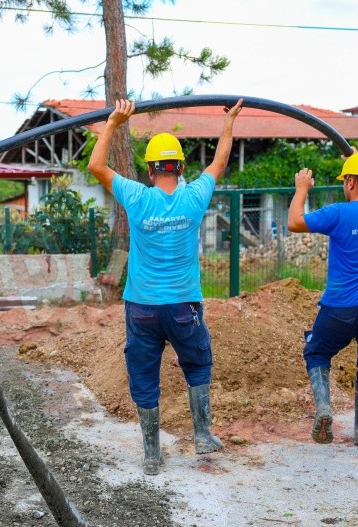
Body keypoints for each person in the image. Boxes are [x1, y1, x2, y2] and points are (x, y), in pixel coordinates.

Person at [88, 98, 243, 475]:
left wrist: (113, 121)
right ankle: (202, 436)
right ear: (181, 167)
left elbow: (96, 166)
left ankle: (153, 454)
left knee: (143, 373)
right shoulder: (194, 197)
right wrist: (229, 122)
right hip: (183, 307)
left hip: (141, 307)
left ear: (150, 168)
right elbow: (219, 163)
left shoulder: (138, 197)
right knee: (197, 362)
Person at [287, 149, 358, 447]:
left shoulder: (339, 213)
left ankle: (324, 407)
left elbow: (294, 222)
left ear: (349, 182)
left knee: (317, 353)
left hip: (342, 307)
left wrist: (301, 189)